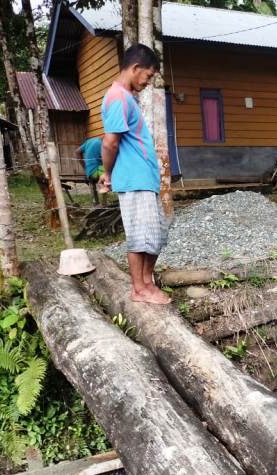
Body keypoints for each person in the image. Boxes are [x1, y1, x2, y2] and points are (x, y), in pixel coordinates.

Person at [99, 44, 169, 305]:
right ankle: (139, 289)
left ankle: (148, 282)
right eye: (148, 76)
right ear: (135, 68)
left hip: (144, 178)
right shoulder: (117, 97)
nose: (148, 82)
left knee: (157, 235)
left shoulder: (127, 98)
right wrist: (108, 174)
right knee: (140, 237)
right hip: (134, 178)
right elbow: (109, 143)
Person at [76, 136, 103, 205]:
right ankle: (104, 203)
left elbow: (77, 152)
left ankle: (96, 203)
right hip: (98, 173)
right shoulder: (102, 144)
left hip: (89, 174)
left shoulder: (89, 141)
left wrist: (85, 167)